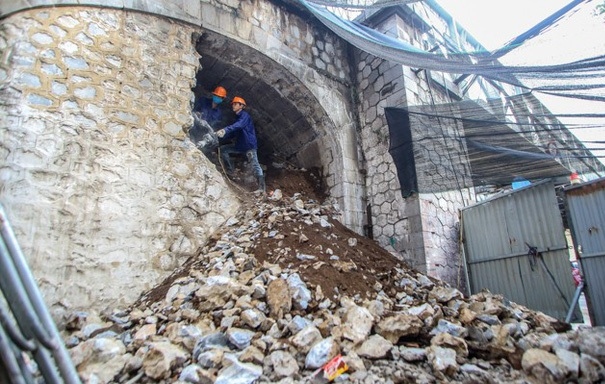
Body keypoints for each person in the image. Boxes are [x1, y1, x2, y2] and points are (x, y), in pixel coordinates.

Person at [216, 96, 265, 193]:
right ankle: (231, 171)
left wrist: (225, 130)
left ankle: (262, 188)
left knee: (255, 165)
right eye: (233, 104)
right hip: (240, 145)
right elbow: (234, 132)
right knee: (223, 150)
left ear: (241, 106)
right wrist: (220, 136)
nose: (233, 106)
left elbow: (238, 126)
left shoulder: (245, 116)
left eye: (235, 104)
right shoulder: (237, 118)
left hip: (249, 146)